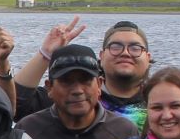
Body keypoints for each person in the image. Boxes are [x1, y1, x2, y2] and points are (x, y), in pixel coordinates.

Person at [14, 20, 153, 125]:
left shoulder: (158, 100)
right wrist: (45, 54)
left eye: (135, 48)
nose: (125, 53)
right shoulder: (73, 95)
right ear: (101, 56)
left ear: (148, 57)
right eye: (115, 47)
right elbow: (16, 105)